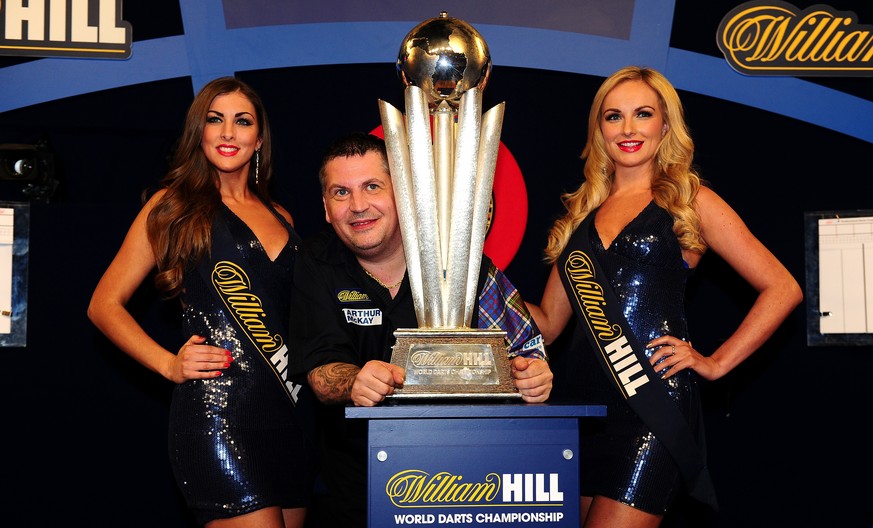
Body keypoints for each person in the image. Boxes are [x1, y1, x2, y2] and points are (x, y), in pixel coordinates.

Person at [525, 66, 802, 528]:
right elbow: (549, 322)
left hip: (650, 407)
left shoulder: (688, 200)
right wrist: (485, 284)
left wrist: (714, 362)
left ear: (665, 125)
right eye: (614, 117)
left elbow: (783, 288)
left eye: (643, 114)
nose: (628, 129)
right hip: (581, 412)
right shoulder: (582, 214)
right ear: (599, 129)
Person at [287, 132, 553, 528]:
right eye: (341, 192)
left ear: (403, 194)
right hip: (355, 489)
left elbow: (524, 352)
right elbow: (320, 373)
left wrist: (533, 377)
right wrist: (355, 381)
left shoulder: (458, 260)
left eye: (372, 187)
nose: (358, 206)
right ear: (326, 208)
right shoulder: (316, 261)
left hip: (462, 485)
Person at [87, 77, 317, 528]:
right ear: (200, 132)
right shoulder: (172, 206)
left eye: (242, 121)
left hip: (291, 416)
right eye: (216, 120)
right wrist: (168, 363)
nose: (228, 132)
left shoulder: (283, 217)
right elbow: (104, 304)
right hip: (217, 416)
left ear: (259, 139)